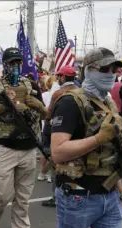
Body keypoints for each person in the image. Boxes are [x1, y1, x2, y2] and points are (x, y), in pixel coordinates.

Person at [50, 47, 122, 228]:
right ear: (88, 71)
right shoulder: (70, 102)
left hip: (110, 195)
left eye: (113, 70)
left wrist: (121, 193)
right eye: (104, 69)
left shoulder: (109, 103)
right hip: (79, 197)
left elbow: (110, 154)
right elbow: (58, 153)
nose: (110, 74)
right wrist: (99, 138)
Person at [0, 47, 47, 228]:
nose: (16, 66)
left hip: (29, 148)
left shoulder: (32, 86)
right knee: (2, 195)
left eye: (18, 62)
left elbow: (46, 116)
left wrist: (39, 106)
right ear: (5, 64)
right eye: (11, 63)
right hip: (5, 148)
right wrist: (0, 108)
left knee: (23, 199)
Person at [41, 65, 79, 207]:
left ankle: (57, 197)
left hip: (58, 132)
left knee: (56, 166)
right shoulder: (81, 91)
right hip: (75, 134)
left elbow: (49, 114)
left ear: (63, 77)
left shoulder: (59, 93)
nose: (57, 78)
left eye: (59, 76)